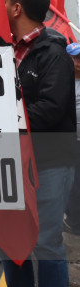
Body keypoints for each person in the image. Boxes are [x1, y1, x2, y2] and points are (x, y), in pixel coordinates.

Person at [2, 0, 76, 287]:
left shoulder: (54, 52)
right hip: (7, 164)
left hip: (49, 162)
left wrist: (4, 120)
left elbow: (52, 106)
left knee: (46, 238)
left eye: (3, 2)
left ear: (16, 8)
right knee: (8, 238)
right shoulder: (0, 51)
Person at [64, 41, 80, 236]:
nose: (78, 62)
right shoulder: (63, 81)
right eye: (75, 58)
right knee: (73, 184)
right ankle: (75, 223)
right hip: (70, 142)